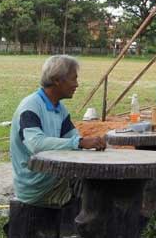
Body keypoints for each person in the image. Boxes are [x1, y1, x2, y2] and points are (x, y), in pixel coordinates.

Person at [10, 55, 106, 206]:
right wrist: (79, 142)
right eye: (73, 79)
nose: (77, 85)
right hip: (38, 187)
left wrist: (88, 144)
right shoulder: (30, 107)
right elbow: (36, 144)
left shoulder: (59, 109)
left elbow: (73, 138)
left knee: (101, 183)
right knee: (96, 194)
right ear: (57, 80)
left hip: (53, 178)